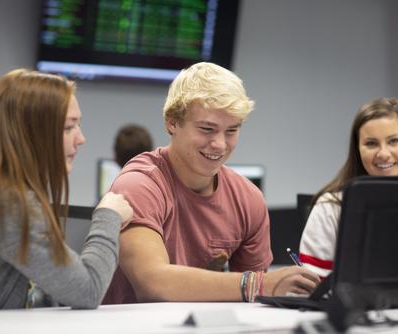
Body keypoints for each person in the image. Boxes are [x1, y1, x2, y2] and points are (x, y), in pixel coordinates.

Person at [102, 62, 320, 304]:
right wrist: (259, 283)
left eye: (231, 131)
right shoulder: (139, 184)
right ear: (172, 122)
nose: (220, 144)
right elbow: (152, 283)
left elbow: (256, 303)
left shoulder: (248, 199)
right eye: (207, 129)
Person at [0, 69, 133, 310]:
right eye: (68, 128)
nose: (81, 139)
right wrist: (109, 215)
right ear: (30, 134)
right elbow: (88, 290)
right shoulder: (9, 203)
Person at [299, 97, 398, 278]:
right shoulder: (330, 207)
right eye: (371, 143)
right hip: (355, 307)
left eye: (394, 141)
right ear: (357, 149)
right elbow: (310, 286)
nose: (384, 154)